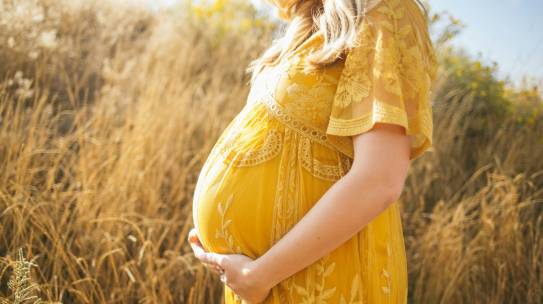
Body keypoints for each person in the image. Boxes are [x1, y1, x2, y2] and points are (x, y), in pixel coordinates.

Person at [188, 0, 437, 302]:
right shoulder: (310, 21)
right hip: (267, 278)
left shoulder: (385, 12)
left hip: (318, 279)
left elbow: (379, 179)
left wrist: (259, 275)